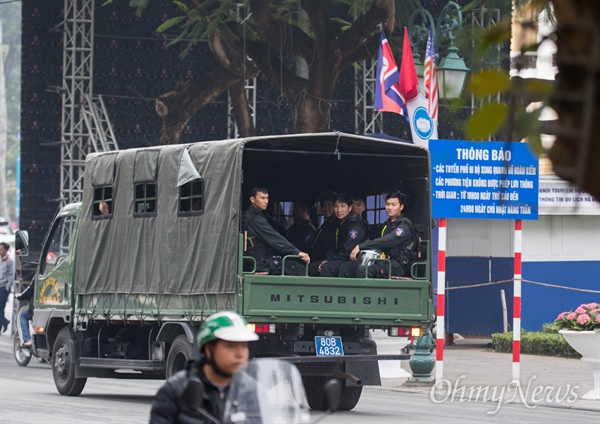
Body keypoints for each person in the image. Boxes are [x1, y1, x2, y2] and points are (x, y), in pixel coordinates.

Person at [150, 311, 259, 424]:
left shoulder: (252, 391)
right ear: (209, 350)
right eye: (231, 346)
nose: (240, 354)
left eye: (244, 346)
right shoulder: (175, 390)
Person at [342, 191, 419, 278]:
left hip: (398, 265)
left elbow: (387, 240)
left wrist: (361, 246)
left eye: (393, 205)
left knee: (364, 269)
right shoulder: (386, 224)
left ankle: (362, 292)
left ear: (401, 207)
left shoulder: (404, 226)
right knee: (347, 267)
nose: (389, 207)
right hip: (382, 260)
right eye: (387, 204)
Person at [242, 185, 310, 275]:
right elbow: (273, 237)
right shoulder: (254, 219)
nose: (266, 201)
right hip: (259, 263)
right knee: (299, 269)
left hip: (260, 260)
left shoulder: (254, 216)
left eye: (267, 198)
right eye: (262, 198)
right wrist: (296, 252)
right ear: (252, 199)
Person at [309, 193, 369, 277]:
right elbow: (333, 247)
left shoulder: (355, 225)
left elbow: (348, 249)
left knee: (327, 268)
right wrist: (327, 258)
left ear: (350, 208)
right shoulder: (339, 224)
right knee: (310, 268)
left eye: (342, 206)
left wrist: (330, 260)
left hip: (352, 260)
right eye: (336, 206)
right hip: (339, 258)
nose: (339, 210)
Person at [309, 191, 337, 262]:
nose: (326, 208)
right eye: (324, 206)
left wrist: (327, 259)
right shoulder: (325, 225)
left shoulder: (338, 225)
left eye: (330, 206)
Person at [14, 279, 35, 347]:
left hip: (36, 307)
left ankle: (27, 340)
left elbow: (29, 290)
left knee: (23, 316)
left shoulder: (38, 275)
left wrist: (20, 296)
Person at [0, 242, 14, 334]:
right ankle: (4, 321)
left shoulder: (9, 261)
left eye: (1, 249)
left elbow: (12, 275)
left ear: (6, 250)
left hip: (3, 287)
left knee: (1, 308)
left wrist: (7, 287)